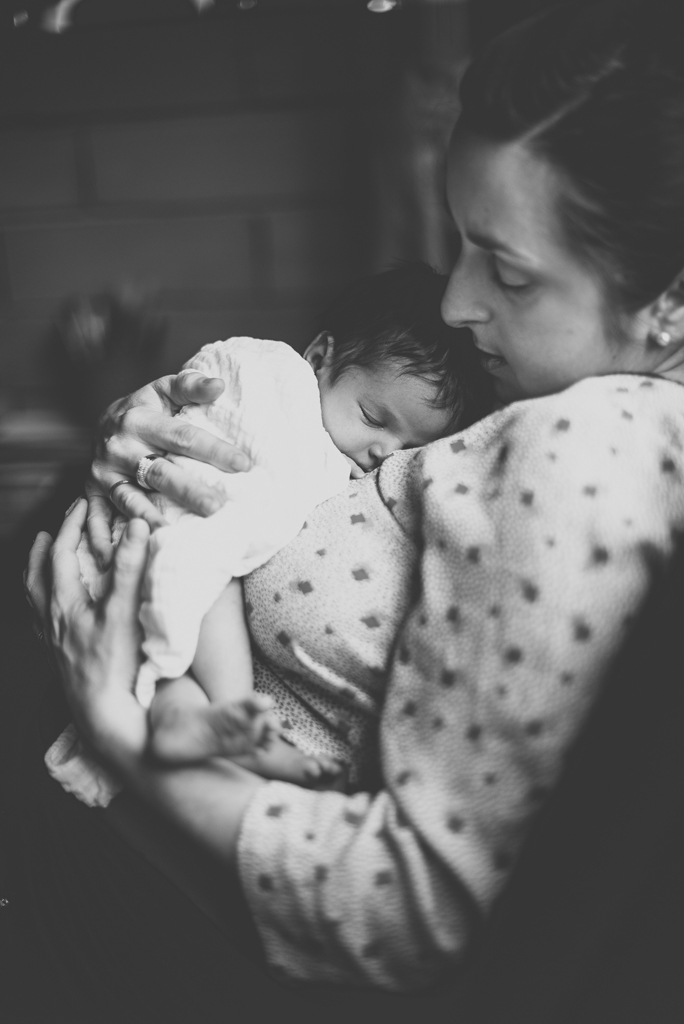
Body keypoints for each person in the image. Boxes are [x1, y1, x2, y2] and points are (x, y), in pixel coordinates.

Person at [17, 0, 684, 1013]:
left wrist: (123, 731)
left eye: (505, 269)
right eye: (463, 244)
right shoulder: (562, 380)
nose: (459, 302)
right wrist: (144, 424)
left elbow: (413, 905)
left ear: (668, 304)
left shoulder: (586, 443)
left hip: (166, 873)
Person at [46, 263, 492, 810]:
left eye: (406, 447)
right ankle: (234, 710)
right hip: (164, 527)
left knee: (182, 655)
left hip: (157, 594)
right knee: (209, 576)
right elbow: (218, 403)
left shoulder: (368, 460)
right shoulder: (275, 377)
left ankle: (189, 724)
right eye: (374, 417)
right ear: (319, 357)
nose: (382, 453)